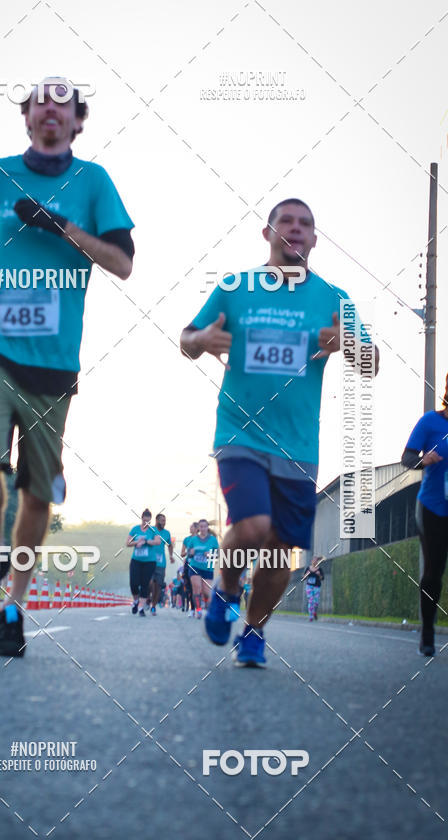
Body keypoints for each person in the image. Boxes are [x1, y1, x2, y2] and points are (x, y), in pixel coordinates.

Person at [0, 77, 134, 656]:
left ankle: (15, 606)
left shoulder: (95, 182)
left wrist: (61, 227)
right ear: (26, 118)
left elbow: (123, 263)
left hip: (55, 363)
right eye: (39, 103)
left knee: (36, 494)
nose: (50, 111)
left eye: (63, 105)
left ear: (78, 122)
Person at [180, 198, 380, 666]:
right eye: (285, 221)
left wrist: (346, 343)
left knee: (279, 550)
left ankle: (252, 632)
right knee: (251, 525)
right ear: (267, 233)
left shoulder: (335, 298)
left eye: (304, 224)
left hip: (299, 445)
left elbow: (372, 364)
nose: (295, 229)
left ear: (314, 238)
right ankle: (226, 589)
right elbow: (187, 338)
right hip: (239, 433)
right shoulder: (235, 287)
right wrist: (201, 341)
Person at [401, 375, 448, 656]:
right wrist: (423, 460)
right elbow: (407, 457)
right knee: (433, 572)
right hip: (432, 506)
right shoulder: (430, 422)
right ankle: (427, 634)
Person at [127, 509, 160, 616]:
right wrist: (137, 542)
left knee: (145, 584)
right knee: (134, 583)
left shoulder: (153, 529)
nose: (146, 524)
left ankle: (141, 608)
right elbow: (128, 543)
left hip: (149, 562)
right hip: (136, 560)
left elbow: (158, 541)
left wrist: (146, 541)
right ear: (142, 519)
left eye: (148, 522)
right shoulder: (135, 529)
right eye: (145, 521)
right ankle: (136, 601)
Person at [186, 519, 219, 619]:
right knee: (197, 588)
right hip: (195, 566)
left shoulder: (213, 540)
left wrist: (210, 555)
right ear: (198, 528)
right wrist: (191, 553)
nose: (203, 528)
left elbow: (218, 554)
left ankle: (207, 606)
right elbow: (188, 553)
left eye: (205, 526)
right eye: (201, 527)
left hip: (208, 568)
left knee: (206, 592)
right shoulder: (194, 539)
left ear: (207, 527)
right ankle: (198, 610)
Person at [148, 513, 174, 614]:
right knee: (149, 583)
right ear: (157, 521)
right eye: (162, 520)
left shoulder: (167, 533)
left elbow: (170, 545)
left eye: (165, 520)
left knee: (158, 585)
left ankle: (153, 606)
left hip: (161, 563)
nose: (164, 522)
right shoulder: (151, 530)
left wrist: (171, 556)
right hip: (149, 561)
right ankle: (147, 598)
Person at [303, 556, 325, 621]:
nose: (314, 562)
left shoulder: (319, 569)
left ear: (317, 562)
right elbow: (303, 578)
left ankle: (314, 612)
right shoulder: (308, 568)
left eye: (316, 561)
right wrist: (306, 575)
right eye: (313, 561)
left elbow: (322, 578)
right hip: (309, 586)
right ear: (311, 561)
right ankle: (311, 616)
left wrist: (319, 575)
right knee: (310, 601)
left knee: (316, 602)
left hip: (317, 586)